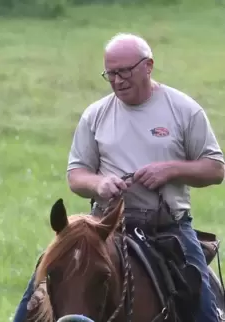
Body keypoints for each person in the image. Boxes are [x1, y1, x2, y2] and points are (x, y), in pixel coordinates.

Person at [12, 32, 224, 322]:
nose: (117, 80)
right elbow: (76, 174)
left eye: (124, 71)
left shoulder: (184, 110)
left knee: (203, 311)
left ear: (148, 66)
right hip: (104, 227)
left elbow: (215, 168)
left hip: (167, 227)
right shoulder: (95, 115)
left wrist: (170, 169)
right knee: (41, 281)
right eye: (110, 73)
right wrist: (99, 184)